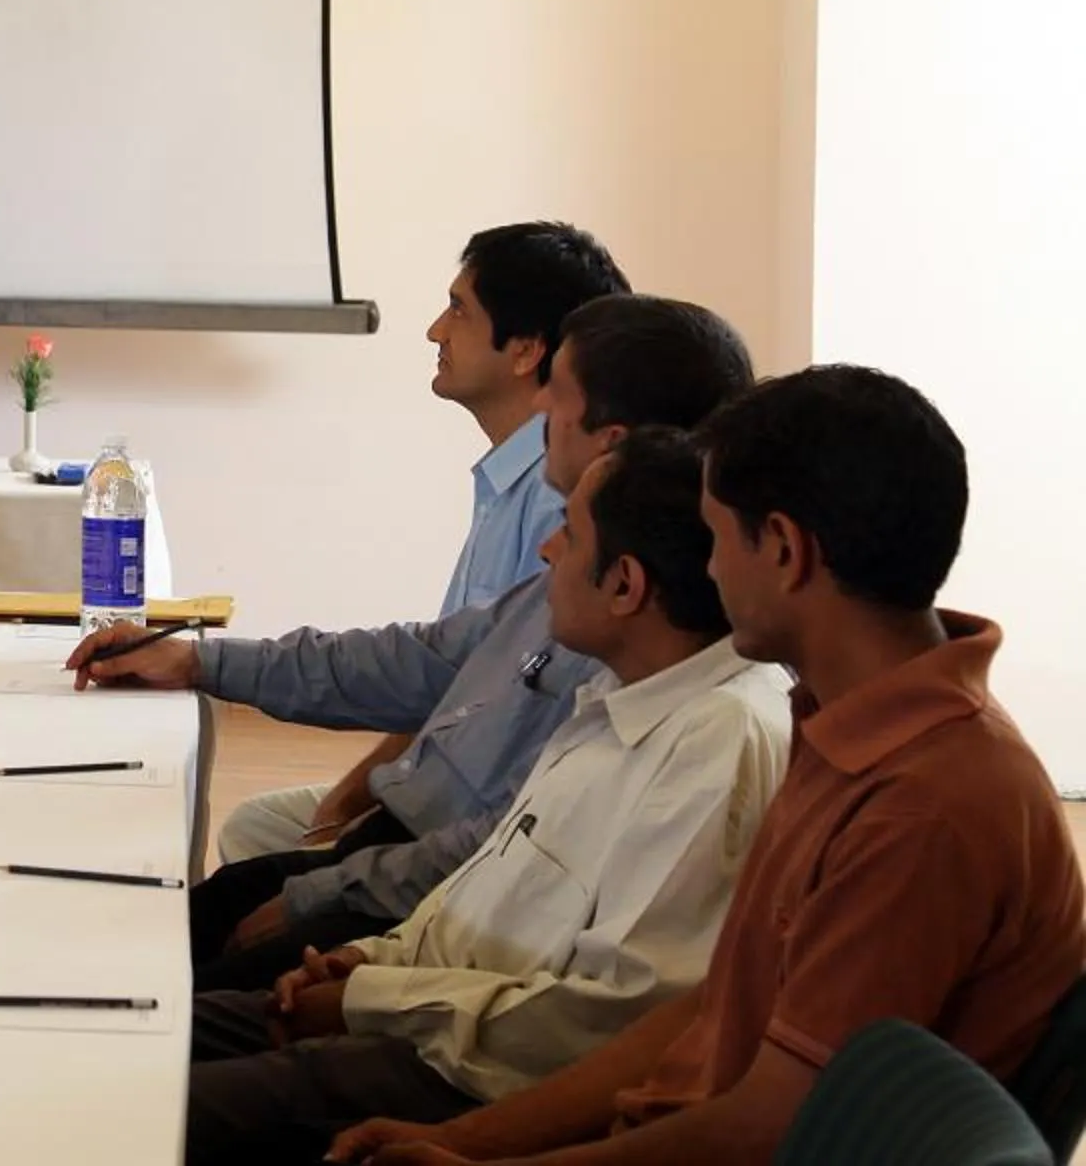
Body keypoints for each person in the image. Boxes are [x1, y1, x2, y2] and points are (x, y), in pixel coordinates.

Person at [332, 366, 1086, 1166]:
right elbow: (709, 1011)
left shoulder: (924, 803)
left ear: (786, 551)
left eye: (719, 537)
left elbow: (766, 1128)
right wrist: (465, 1143)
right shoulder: (846, 722)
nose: (712, 570)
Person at [75, 295, 755, 993]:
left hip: (422, 896)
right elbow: (417, 659)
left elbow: (500, 842)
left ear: (610, 441)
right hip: (402, 863)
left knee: (179, 976)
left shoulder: (623, 624)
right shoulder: (581, 561)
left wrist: (332, 896)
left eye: (558, 387)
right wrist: (200, 659)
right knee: (187, 921)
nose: (539, 403)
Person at [184, 430, 792, 1166]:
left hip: (469, 1082)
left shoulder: (717, 742)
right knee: (131, 1037)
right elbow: (483, 889)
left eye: (568, 533)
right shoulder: (619, 691)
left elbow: (611, 1018)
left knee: (144, 1104)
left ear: (625, 585)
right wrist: (366, 960)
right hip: (420, 1020)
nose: (548, 553)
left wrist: (369, 996)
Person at [223, 223, 630, 865]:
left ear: (525, 351)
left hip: (477, 823)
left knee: (259, 844)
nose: (436, 331)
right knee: (261, 828)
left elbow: (489, 717)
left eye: (459, 310)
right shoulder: (511, 485)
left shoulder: (556, 507)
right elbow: (445, 672)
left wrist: (354, 806)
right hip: (451, 785)